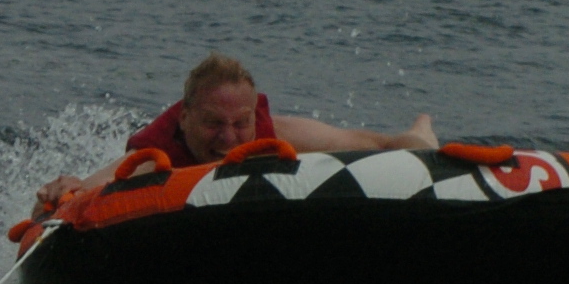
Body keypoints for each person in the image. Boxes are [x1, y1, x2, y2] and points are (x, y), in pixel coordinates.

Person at [34, 53, 438, 211]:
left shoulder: (275, 134)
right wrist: (60, 191)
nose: (228, 140)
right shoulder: (156, 156)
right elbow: (66, 204)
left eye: (240, 124)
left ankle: (425, 124)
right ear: (185, 119)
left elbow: (383, 145)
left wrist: (428, 156)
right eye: (213, 124)